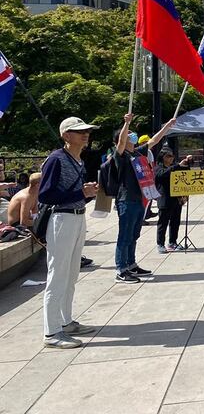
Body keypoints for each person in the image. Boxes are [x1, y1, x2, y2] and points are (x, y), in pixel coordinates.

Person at [40, 116, 99, 348]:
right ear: (66, 135)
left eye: (87, 130)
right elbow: (45, 196)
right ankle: (51, 332)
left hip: (76, 217)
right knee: (58, 276)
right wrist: (81, 194)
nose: (85, 134)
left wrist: (85, 193)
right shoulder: (56, 159)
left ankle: (65, 321)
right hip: (62, 219)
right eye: (79, 131)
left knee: (72, 273)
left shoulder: (77, 159)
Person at [114, 113, 175, 284]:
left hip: (139, 199)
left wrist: (167, 126)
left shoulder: (136, 153)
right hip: (126, 199)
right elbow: (120, 143)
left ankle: (131, 264)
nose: (132, 136)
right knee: (124, 235)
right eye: (129, 134)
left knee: (134, 234)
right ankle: (121, 269)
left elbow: (153, 141)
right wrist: (126, 123)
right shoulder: (121, 156)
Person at [154, 148, 191, 253]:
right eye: (168, 156)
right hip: (164, 198)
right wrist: (177, 166)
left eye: (172, 156)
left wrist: (187, 163)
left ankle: (172, 242)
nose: (171, 158)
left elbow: (185, 173)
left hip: (176, 198)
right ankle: (160, 244)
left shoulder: (174, 167)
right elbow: (162, 175)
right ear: (162, 157)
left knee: (175, 221)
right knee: (163, 222)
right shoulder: (158, 168)